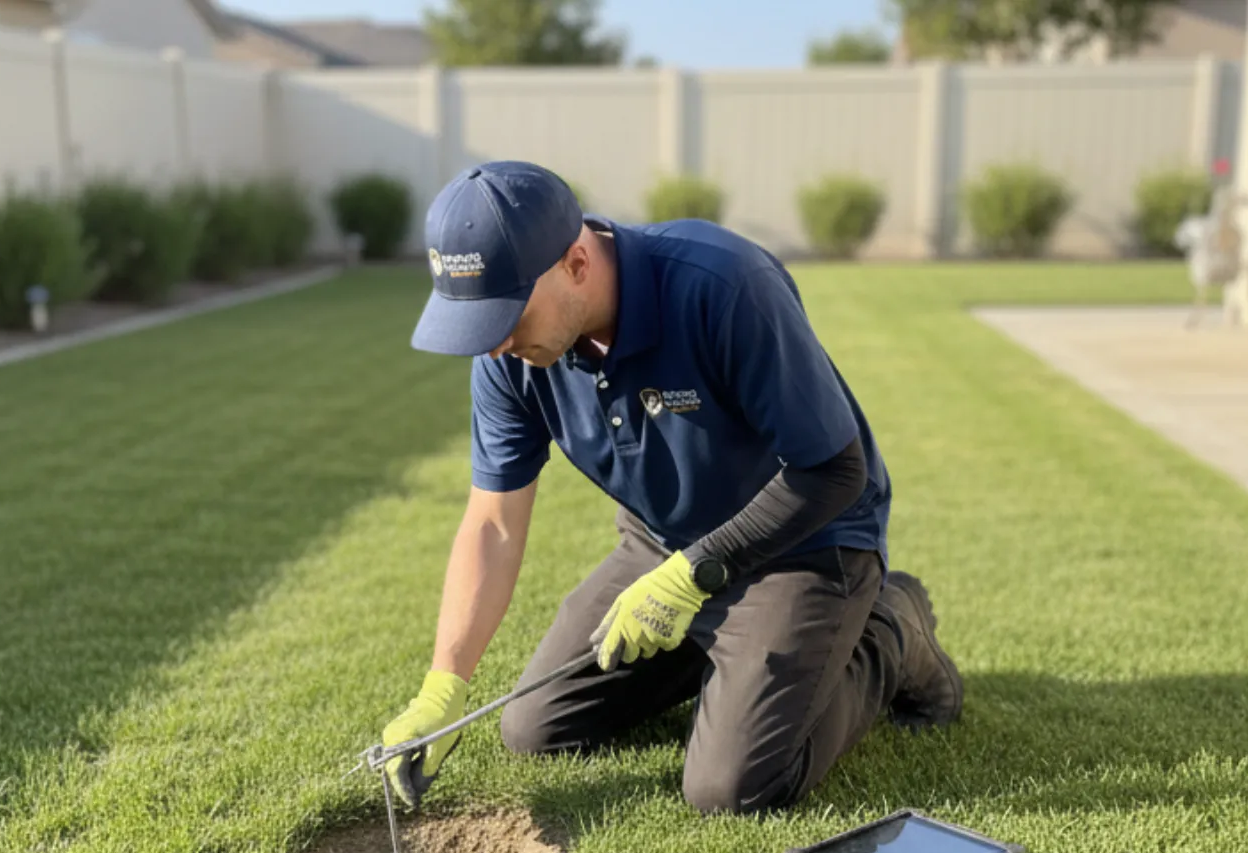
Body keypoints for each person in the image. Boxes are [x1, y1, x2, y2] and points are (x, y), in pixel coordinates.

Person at [379, 159, 962, 816]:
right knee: (536, 730)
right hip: (661, 544)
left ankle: (891, 627)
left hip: (803, 545)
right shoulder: (508, 356)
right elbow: (494, 522)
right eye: (478, 323)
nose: (495, 346)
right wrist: (443, 685)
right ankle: (721, 654)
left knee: (730, 789)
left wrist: (692, 577)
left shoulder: (724, 285)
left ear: (576, 263)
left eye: (508, 315)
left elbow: (833, 470)